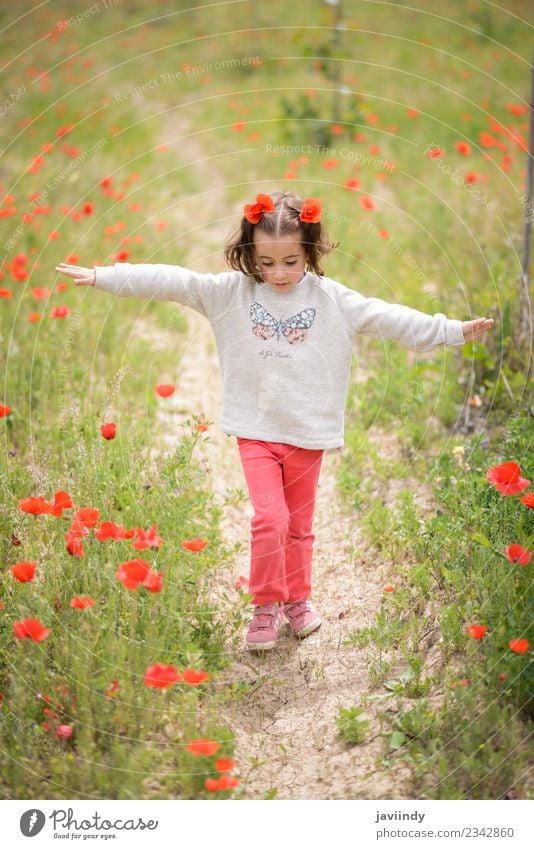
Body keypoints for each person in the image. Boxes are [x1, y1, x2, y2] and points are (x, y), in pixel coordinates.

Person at [55, 190, 494, 653]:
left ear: (310, 251)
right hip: (257, 431)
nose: (279, 273)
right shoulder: (228, 294)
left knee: (300, 525)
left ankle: (298, 600)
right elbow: (171, 280)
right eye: (267, 262)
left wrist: (451, 330)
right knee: (271, 518)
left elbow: (391, 318)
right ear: (250, 254)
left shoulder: (333, 300)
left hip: (308, 434)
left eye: (291, 261)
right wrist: (106, 276)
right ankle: (265, 604)